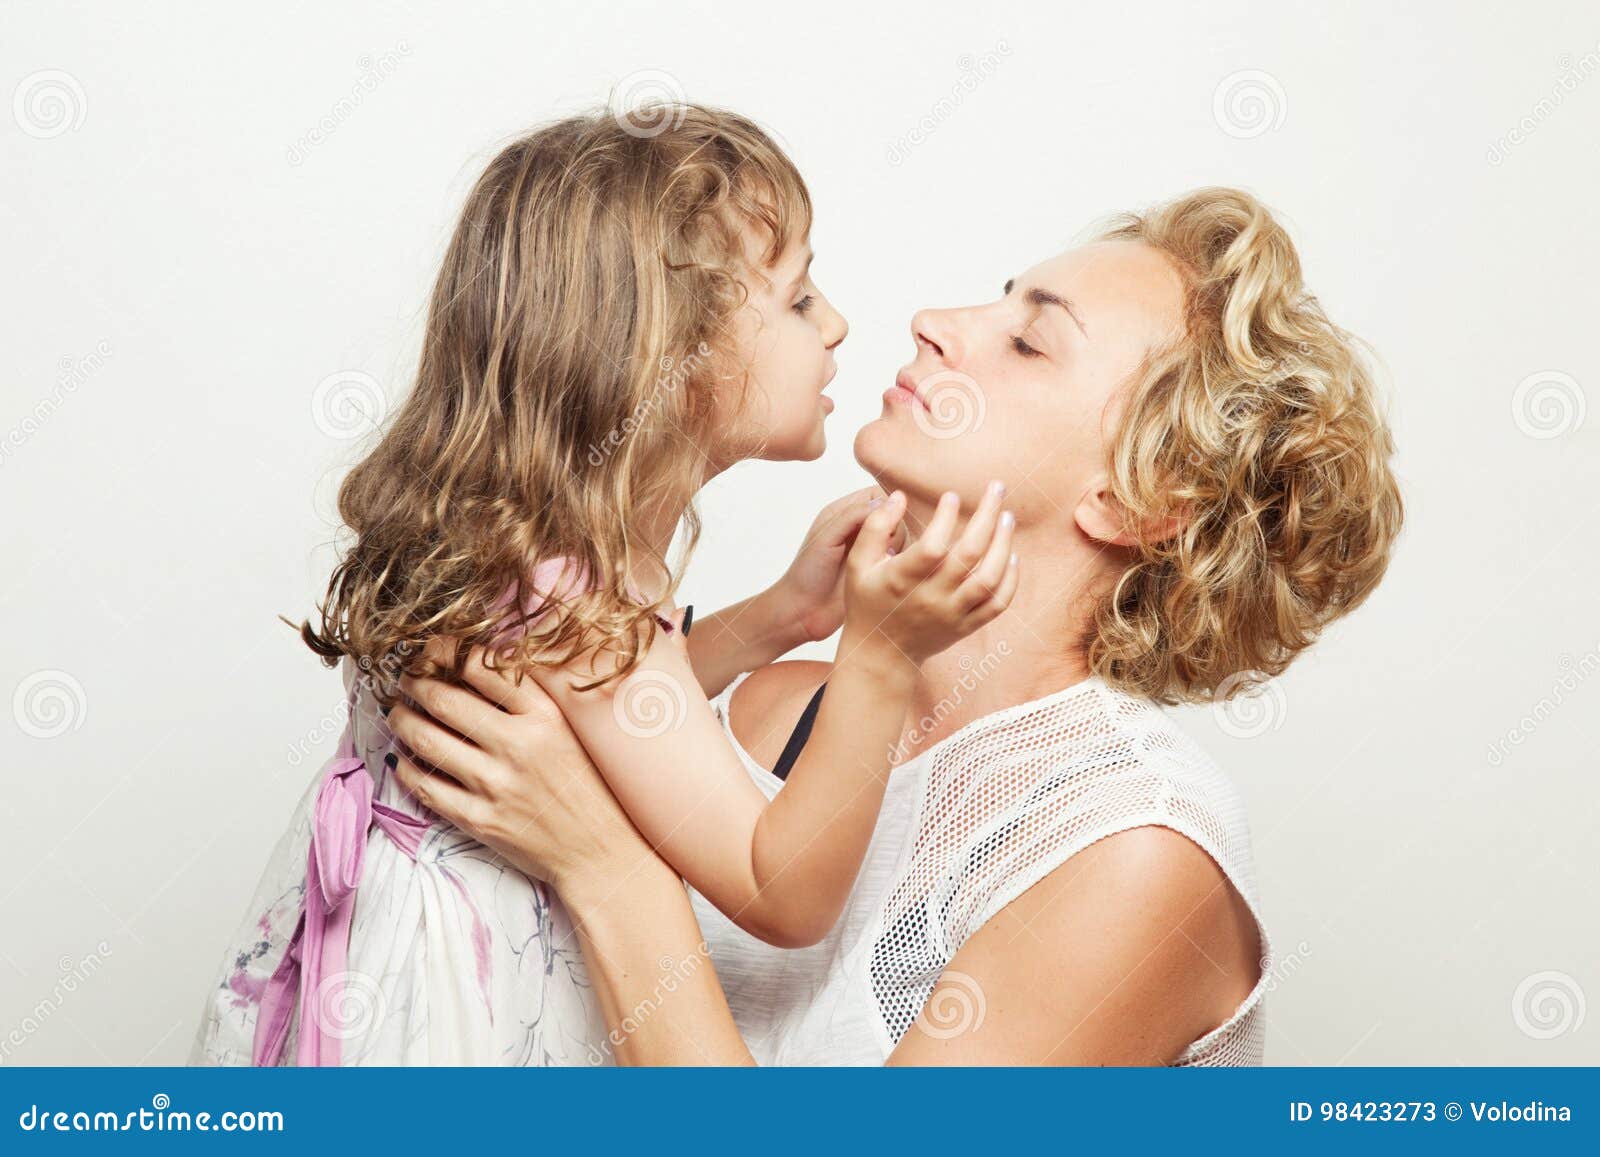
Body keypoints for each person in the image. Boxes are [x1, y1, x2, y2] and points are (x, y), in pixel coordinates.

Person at [392, 186, 1405, 1064]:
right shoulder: (774, 715)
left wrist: (604, 867)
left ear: (1142, 498)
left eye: (1027, 338)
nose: (931, 320)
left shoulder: (1129, 854)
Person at [191, 103, 1019, 1067]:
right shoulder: (576, 598)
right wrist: (877, 657)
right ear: (670, 362)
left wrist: (776, 619)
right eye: (796, 300)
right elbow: (781, 891)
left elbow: (613, 723)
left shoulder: (530, 555)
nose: (835, 322)